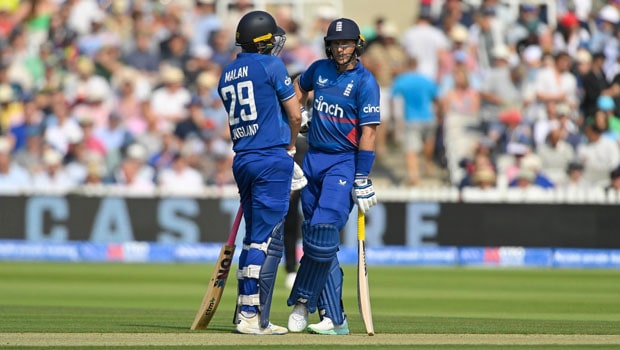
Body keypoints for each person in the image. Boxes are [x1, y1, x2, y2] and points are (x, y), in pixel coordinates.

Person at [286, 17, 380, 335]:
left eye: (347, 43)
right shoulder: (318, 69)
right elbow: (298, 89)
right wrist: (301, 114)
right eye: (336, 43)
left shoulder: (366, 82)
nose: (341, 49)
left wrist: (362, 176)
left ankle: (302, 300)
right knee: (314, 234)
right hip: (312, 158)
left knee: (325, 229)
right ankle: (334, 319)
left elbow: (368, 133)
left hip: (343, 162)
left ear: (357, 45)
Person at [217, 10, 302, 335]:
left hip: (243, 159)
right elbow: (294, 115)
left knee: (254, 237)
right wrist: (291, 146)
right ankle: (251, 314)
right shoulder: (271, 65)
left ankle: (245, 310)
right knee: (263, 240)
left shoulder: (227, 73)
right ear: (264, 41)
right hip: (271, 157)